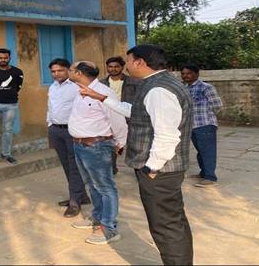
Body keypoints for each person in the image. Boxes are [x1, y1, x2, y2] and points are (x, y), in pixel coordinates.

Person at [78, 45, 194, 265]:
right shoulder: (157, 84)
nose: (127, 66)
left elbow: (167, 135)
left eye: (129, 61)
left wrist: (152, 167)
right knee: (173, 221)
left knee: (165, 225)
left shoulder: (159, 90)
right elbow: (137, 112)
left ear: (140, 62)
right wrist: (102, 98)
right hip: (162, 169)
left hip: (160, 171)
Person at [67, 61, 127, 245]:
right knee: (92, 185)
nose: (68, 71)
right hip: (80, 146)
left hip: (97, 146)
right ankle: (97, 217)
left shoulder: (103, 92)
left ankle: (109, 229)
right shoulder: (79, 90)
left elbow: (117, 119)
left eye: (71, 69)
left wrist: (120, 142)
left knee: (105, 187)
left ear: (79, 72)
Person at [46, 58, 91, 218]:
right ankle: (81, 195)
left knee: (74, 167)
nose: (56, 74)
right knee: (66, 165)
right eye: (53, 71)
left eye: (60, 70)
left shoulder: (76, 87)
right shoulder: (53, 87)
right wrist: (49, 124)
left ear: (68, 70)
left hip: (72, 131)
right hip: (56, 130)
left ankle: (74, 202)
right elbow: (50, 107)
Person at [180, 64, 223, 188]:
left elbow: (217, 105)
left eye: (188, 73)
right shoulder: (184, 88)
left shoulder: (206, 87)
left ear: (196, 74)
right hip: (191, 126)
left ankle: (210, 177)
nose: (185, 76)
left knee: (207, 151)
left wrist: (207, 116)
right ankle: (203, 173)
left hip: (205, 124)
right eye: (183, 74)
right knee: (200, 150)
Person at [100, 56, 139, 174]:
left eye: (116, 66)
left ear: (122, 67)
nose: (113, 69)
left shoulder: (133, 82)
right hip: (109, 117)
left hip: (128, 116)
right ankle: (112, 168)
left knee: (134, 145)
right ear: (107, 68)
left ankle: (138, 169)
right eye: (110, 67)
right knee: (111, 144)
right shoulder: (101, 83)